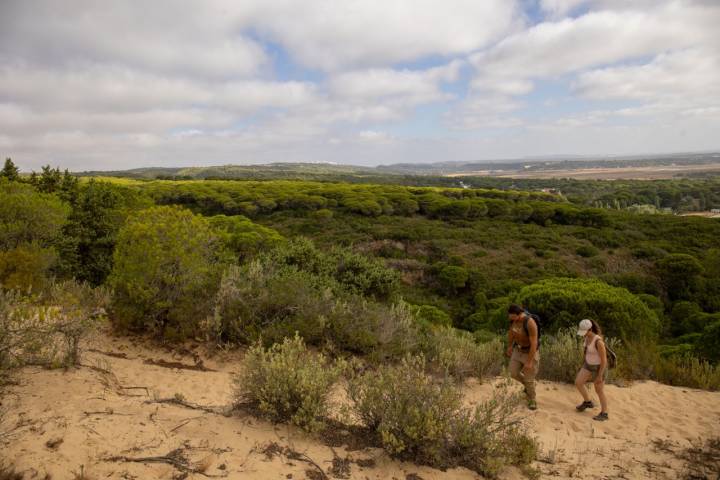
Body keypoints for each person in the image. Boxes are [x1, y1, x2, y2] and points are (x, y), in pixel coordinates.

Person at [574, 318, 609, 421]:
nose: (583, 334)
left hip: (599, 367)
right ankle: (587, 402)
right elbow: (586, 352)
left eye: (585, 332)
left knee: (599, 390)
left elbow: (604, 360)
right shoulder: (586, 338)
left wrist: (599, 375)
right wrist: (583, 364)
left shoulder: (598, 342)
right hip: (588, 365)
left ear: (590, 329)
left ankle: (604, 413)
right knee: (578, 382)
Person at [506, 304, 539, 410]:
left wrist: (529, 361)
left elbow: (534, 343)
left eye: (512, 316)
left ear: (519, 314)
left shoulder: (530, 323)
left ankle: (532, 399)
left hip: (529, 351)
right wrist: (510, 346)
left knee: (529, 379)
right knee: (512, 372)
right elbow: (511, 333)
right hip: (518, 350)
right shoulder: (513, 320)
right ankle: (528, 387)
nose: (510, 318)